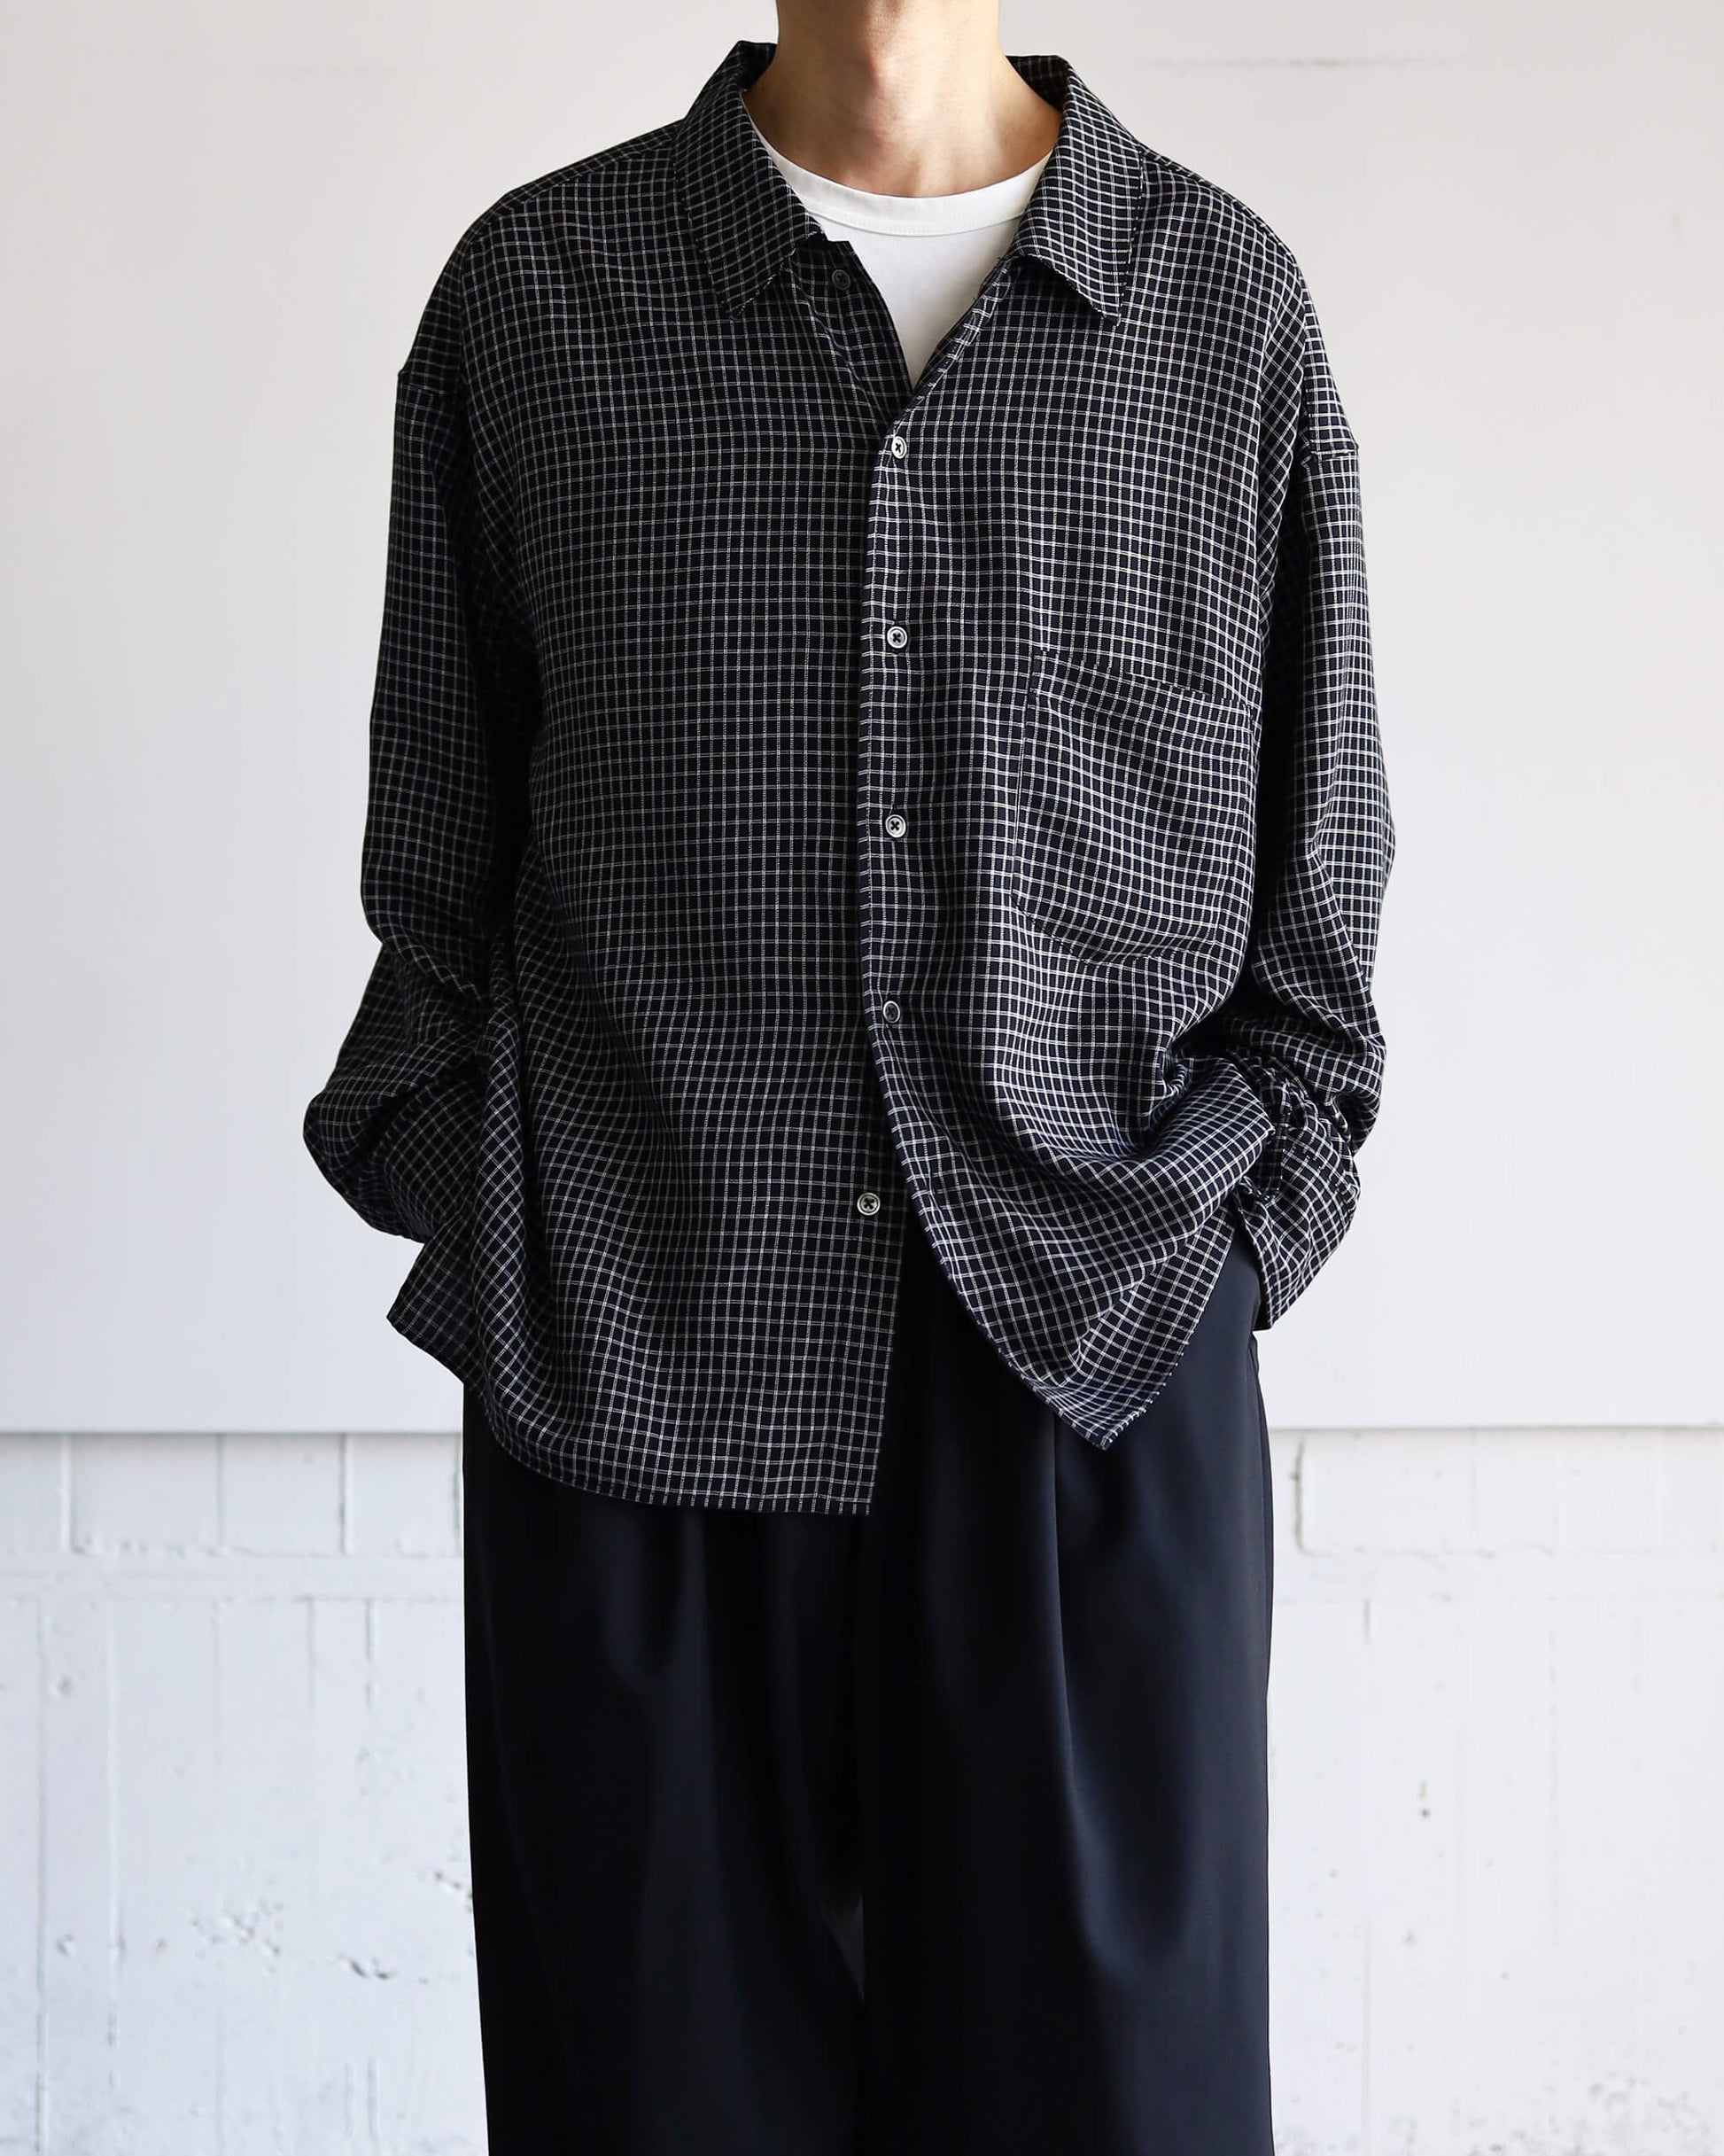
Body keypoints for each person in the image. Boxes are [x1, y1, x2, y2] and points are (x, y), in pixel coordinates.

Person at [303, 5, 1394, 2149]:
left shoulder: (1219, 309)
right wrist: (523, 1253)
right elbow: (431, 913)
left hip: (1095, 1396)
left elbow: (1314, 949)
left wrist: (1214, 1274)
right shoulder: (539, 296)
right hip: (634, 1381)